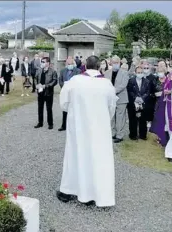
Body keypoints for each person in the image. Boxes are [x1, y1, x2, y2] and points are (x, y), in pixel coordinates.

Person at [57, 55, 118, 207]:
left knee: (75, 156)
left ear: (85, 65)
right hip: (99, 129)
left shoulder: (75, 81)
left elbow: (63, 103)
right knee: (98, 160)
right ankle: (98, 195)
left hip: (79, 127)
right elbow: (112, 107)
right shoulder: (107, 84)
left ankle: (69, 190)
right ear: (99, 67)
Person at [105, 55, 129, 143]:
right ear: (111, 63)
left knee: (120, 117)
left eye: (117, 63)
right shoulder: (106, 73)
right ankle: (112, 133)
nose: (115, 64)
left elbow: (123, 85)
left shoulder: (124, 72)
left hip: (121, 98)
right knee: (111, 116)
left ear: (120, 63)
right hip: (110, 98)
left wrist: (113, 90)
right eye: (113, 62)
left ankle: (120, 135)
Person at [127, 67, 151, 140]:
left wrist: (142, 98)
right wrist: (135, 98)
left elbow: (148, 92)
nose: (140, 74)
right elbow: (129, 90)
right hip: (133, 103)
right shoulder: (131, 80)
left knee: (143, 119)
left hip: (143, 103)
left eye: (141, 72)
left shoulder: (147, 81)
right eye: (138, 72)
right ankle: (133, 135)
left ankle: (143, 135)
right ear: (135, 73)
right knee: (132, 119)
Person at [58, 56, 81, 131]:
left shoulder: (78, 71)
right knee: (65, 108)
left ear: (73, 62)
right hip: (65, 92)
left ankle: (74, 126)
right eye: (68, 62)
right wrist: (64, 87)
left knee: (74, 109)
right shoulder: (63, 71)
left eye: (71, 61)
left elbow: (78, 82)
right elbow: (60, 80)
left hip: (74, 92)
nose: (69, 63)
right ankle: (63, 125)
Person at [34, 57, 58, 129]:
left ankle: (50, 123)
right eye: (42, 62)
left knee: (49, 109)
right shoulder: (39, 70)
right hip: (40, 92)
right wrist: (36, 85)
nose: (42, 63)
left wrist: (46, 86)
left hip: (48, 92)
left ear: (48, 63)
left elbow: (55, 81)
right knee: (40, 108)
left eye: (43, 62)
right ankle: (40, 122)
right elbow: (35, 78)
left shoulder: (53, 71)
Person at [142, 61, 158, 128]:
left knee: (149, 110)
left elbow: (155, 87)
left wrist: (152, 95)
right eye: (144, 68)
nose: (146, 69)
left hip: (150, 98)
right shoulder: (140, 76)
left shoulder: (153, 77)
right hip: (142, 97)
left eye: (147, 68)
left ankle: (149, 121)